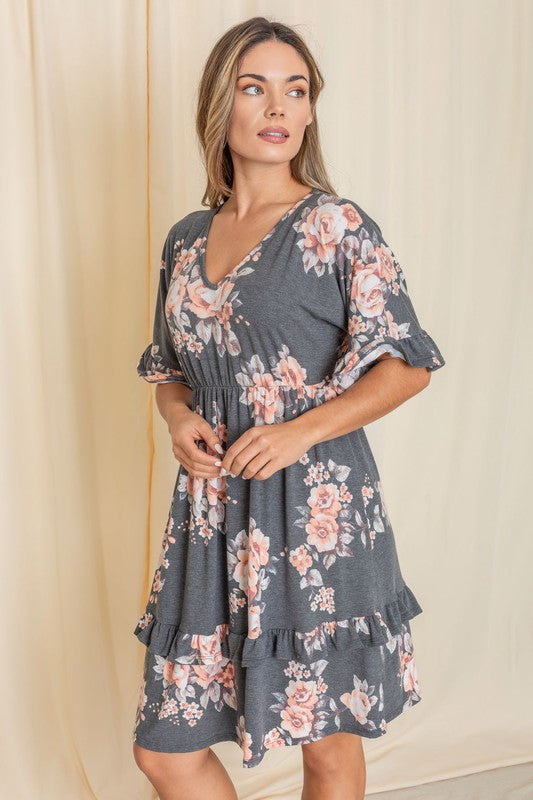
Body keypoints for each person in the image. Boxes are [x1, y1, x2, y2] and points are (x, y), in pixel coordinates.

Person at [131, 15, 445, 800]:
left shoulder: (336, 226)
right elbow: (169, 370)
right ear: (220, 107)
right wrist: (177, 418)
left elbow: (409, 365)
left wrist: (297, 431)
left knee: (327, 749)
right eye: (254, 87)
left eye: (294, 90)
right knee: (164, 750)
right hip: (209, 520)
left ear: (309, 112)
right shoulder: (183, 240)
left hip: (317, 517)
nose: (277, 106)